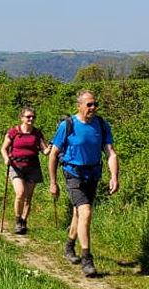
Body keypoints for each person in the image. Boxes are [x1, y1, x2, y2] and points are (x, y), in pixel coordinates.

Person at [48, 89, 119, 278]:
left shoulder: (102, 125)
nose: (93, 108)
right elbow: (53, 154)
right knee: (85, 212)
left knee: (79, 214)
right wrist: (53, 182)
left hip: (93, 175)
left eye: (95, 104)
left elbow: (110, 152)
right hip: (73, 174)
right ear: (79, 105)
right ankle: (87, 259)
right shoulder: (67, 125)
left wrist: (114, 177)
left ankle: (69, 247)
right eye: (89, 104)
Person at [0, 107, 52, 234]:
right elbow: (3, 148)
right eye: (28, 116)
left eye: (33, 117)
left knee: (28, 197)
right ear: (22, 118)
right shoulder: (14, 131)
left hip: (32, 167)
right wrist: (6, 158)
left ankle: (24, 221)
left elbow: (44, 150)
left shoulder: (37, 133)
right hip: (16, 166)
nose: (31, 119)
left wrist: (50, 149)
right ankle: (17, 220)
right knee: (20, 193)